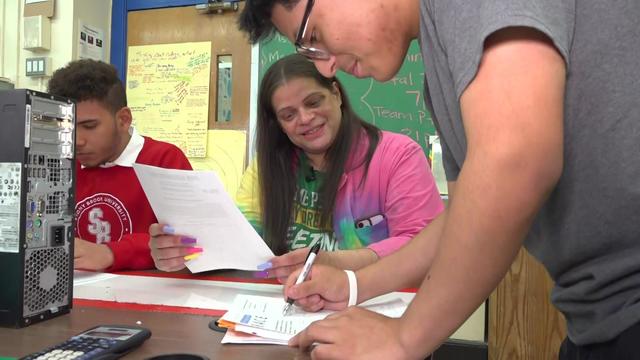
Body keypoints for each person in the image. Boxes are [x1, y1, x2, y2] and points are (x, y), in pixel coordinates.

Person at [238, 1, 640, 359]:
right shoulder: (443, 59)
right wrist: (356, 285)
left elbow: (514, 160)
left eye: (315, 36)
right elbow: (462, 213)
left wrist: (404, 339)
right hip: (602, 321)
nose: (325, 66)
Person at [148, 54, 444, 279]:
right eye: (288, 115)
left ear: (337, 95)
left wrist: (332, 263)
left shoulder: (397, 156)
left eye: (313, 102)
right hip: (289, 314)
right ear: (277, 125)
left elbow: (426, 247)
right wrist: (187, 255)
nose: (304, 118)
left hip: (374, 310)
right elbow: (242, 240)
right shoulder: (269, 166)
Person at [48, 59, 193, 272]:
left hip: (149, 295)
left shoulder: (164, 159)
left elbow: (190, 241)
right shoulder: (61, 166)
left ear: (123, 120)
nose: (76, 140)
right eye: (65, 126)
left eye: (89, 126)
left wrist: (112, 253)